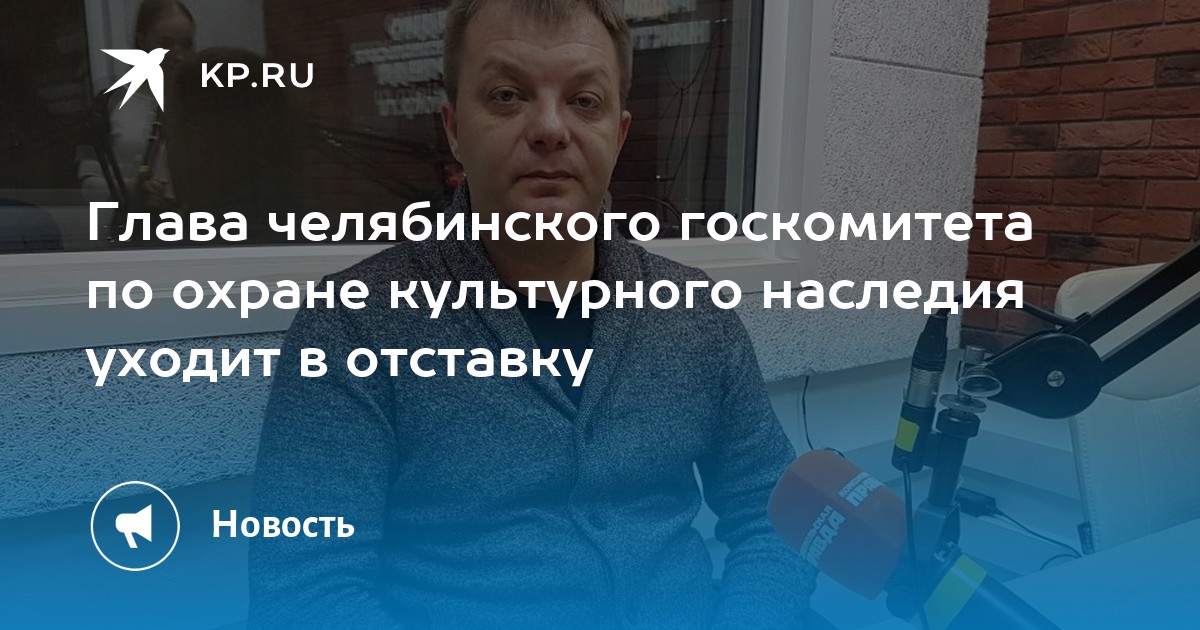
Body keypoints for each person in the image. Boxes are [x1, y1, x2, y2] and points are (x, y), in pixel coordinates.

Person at [249, 1, 816, 628]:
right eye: (506, 95)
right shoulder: (353, 324)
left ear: (619, 134)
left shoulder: (696, 313)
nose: (550, 128)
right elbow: (305, 590)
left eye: (585, 101)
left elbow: (776, 516)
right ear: (453, 128)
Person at [78, 0, 195, 214]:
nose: (178, 55)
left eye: (186, 44)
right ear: (142, 41)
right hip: (129, 228)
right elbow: (87, 182)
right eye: (165, 44)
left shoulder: (207, 105)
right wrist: (133, 191)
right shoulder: (109, 104)